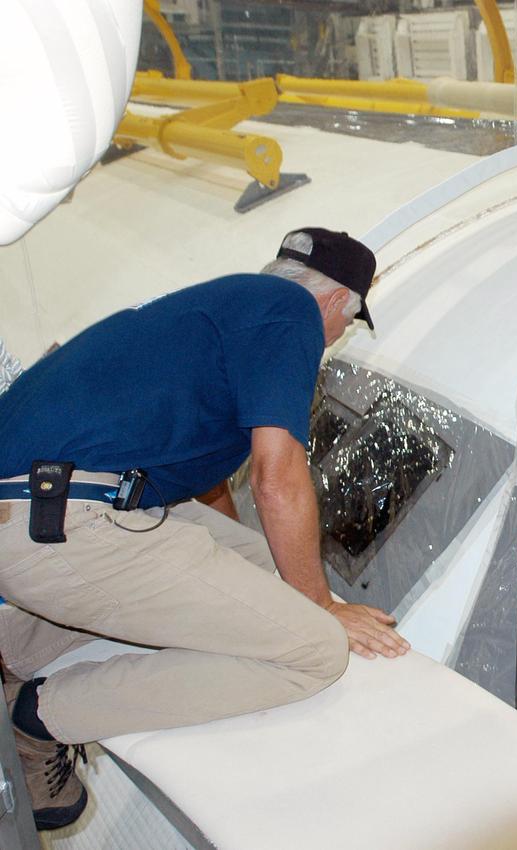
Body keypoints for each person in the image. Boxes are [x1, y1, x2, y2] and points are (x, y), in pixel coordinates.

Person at [0, 227, 410, 830]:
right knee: (313, 650)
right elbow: (278, 478)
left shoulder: (224, 304)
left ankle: (17, 647)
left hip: (51, 505)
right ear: (336, 302)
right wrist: (320, 604)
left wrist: (256, 588)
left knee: (272, 573)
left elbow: (211, 487)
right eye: (350, 322)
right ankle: (41, 718)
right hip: (64, 522)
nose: (340, 336)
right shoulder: (290, 315)